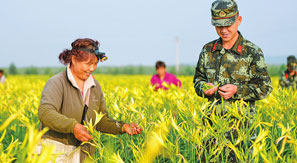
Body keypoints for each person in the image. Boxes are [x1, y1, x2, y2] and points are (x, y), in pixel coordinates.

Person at [38, 38, 142, 162]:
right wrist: (73, 127)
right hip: (53, 154)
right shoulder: (57, 82)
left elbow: (100, 120)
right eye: (88, 64)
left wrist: (122, 127)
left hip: (81, 156)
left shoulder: (94, 86)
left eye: (95, 64)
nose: (92, 68)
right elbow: (45, 112)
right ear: (73, 60)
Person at [193, 0, 272, 161]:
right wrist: (203, 88)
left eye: (228, 24)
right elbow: (197, 80)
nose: (223, 30)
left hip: (240, 135)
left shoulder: (252, 52)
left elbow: (265, 87)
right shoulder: (207, 50)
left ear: (239, 20)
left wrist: (237, 90)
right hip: (210, 133)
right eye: (218, 25)